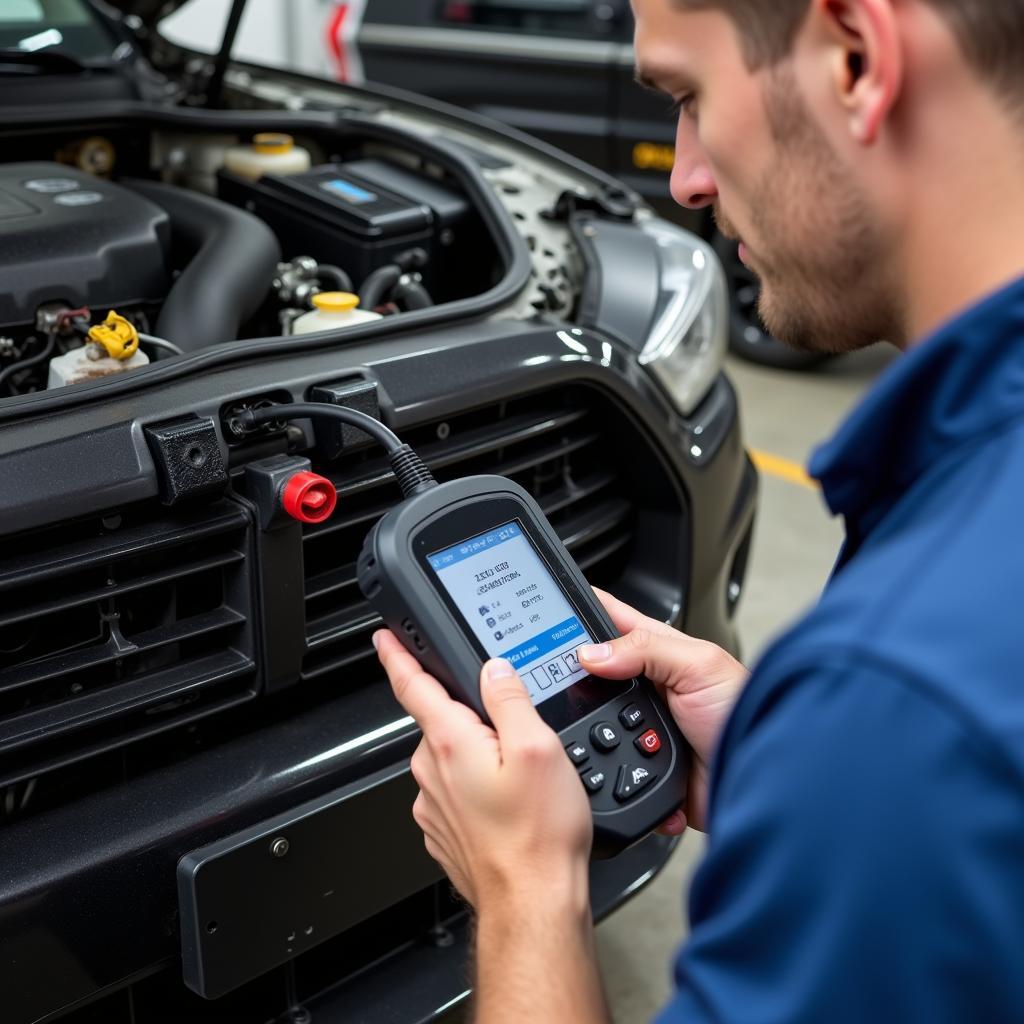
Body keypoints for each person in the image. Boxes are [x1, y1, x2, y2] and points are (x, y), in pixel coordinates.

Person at [374, 0, 1024, 1019]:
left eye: (689, 95)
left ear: (854, 56)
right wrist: (792, 764)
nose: (684, 178)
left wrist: (526, 896)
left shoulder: (904, 697)